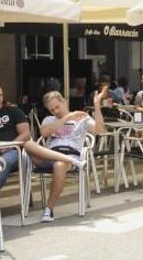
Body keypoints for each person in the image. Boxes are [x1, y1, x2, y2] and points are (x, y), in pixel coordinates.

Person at [37, 89, 106, 222]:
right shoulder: (49, 119)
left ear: (65, 101)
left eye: (57, 107)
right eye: (52, 110)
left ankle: (49, 209)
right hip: (49, 155)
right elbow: (44, 133)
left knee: (60, 165)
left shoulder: (82, 117)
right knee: (27, 145)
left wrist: (97, 106)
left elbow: (99, 130)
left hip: (70, 156)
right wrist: (66, 118)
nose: (55, 111)